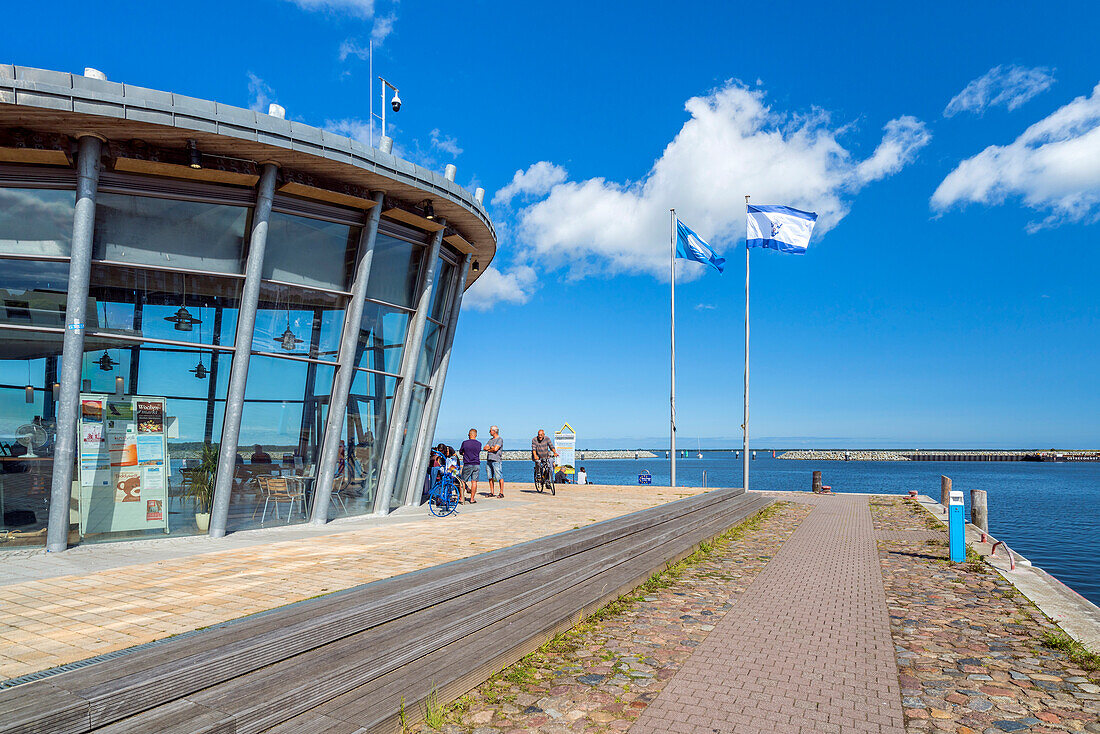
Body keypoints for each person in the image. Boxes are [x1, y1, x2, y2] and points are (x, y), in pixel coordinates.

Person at [460, 428, 482, 503]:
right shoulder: (479, 444)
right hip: (476, 464)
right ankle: (472, 499)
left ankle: (461, 498)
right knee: (474, 482)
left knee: (462, 481)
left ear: (469, 434)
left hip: (468, 463)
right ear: (476, 435)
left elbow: (461, 452)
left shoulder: (465, 443)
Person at [484, 425, 505, 498]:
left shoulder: (499, 439)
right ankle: (492, 492)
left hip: (496, 460)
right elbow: (484, 448)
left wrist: (489, 449)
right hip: (489, 460)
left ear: (494, 431)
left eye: (490, 430)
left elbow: (496, 449)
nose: (489, 432)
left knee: (499, 476)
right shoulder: (490, 440)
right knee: (490, 477)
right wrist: (491, 448)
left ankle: (501, 492)